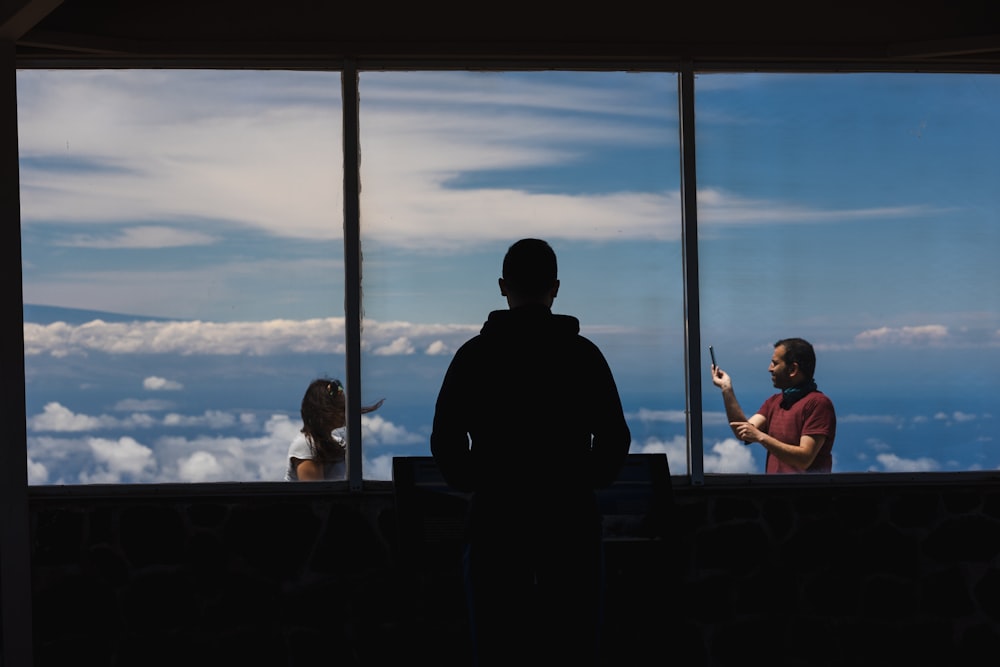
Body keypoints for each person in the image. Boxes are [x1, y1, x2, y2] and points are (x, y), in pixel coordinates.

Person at [430, 238, 632, 667]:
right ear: (555, 288)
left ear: (503, 287)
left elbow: (446, 442)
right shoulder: (583, 356)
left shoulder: (474, 356)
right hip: (569, 516)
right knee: (573, 640)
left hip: (496, 517)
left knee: (497, 640)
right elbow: (615, 440)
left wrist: (479, 480)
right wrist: (582, 478)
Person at [710, 337, 836, 473]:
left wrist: (761, 437)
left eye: (775, 363)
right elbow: (743, 432)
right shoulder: (774, 402)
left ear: (793, 369)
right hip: (775, 492)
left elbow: (804, 459)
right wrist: (726, 388)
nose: (769, 369)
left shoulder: (818, 404)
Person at [284, 377, 384, 481]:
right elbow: (316, 494)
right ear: (323, 412)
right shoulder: (306, 445)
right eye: (340, 408)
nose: (344, 413)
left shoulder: (336, 442)